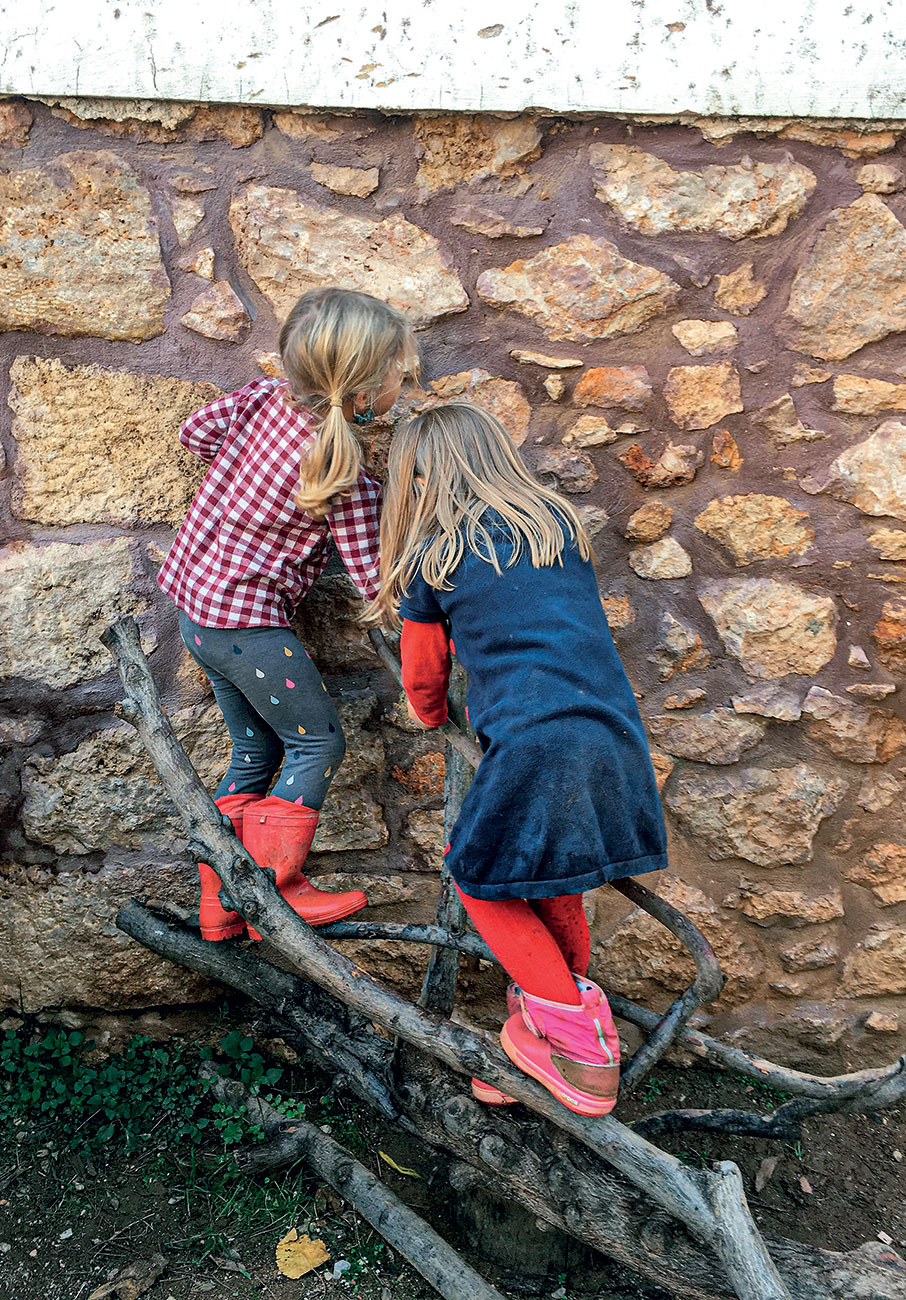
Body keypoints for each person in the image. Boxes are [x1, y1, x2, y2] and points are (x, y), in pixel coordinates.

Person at [370, 402, 668, 1117]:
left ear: (419, 479)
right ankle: (546, 1029)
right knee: (549, 876)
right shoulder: (556, 530)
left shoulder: (433, 557)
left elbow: (421, 677)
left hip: (533, 741)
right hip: (611, 734)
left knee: (476, 878)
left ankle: (580, 1047)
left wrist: (433, 716)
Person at [157, 287, 418, 941]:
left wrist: (242, 482)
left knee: (254, 748)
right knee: (318, 742)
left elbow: (195, 434)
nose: (403, 388)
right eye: (398, 375)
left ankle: (221, 905)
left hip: (198, 612)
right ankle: (274, 889)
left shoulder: (257, 401)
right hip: (246, 627)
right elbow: (370, 576)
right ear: (360, 391)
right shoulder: (341, 470)